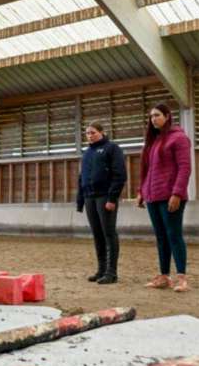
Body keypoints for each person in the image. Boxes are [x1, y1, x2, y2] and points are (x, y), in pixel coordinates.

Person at [136, 103, 191, 292]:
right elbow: (147, 170)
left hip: (171, 196)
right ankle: (164, 276)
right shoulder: (153, 141)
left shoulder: (179, 138)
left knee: (174, 235)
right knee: (161, 237)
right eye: (151, 116)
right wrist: (141, 192)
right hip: (152, 196)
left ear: (167, 116)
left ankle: (182, 278)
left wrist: (176, 193)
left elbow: (185, 168)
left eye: (157, 115)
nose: (153, 119)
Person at [76, 122, 127, 284]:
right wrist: (80, 200)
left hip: (105, 196)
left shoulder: (112, 148)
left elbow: (120, 175)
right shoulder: (87, 153)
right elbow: (81, 177)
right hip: (90, 197)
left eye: (93, 133)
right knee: (97, 235)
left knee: (109, 233)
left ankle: (112, 273)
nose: (90, 136)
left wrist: (112, 198)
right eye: (87, 133)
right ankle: (101, 270)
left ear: (102, 132)